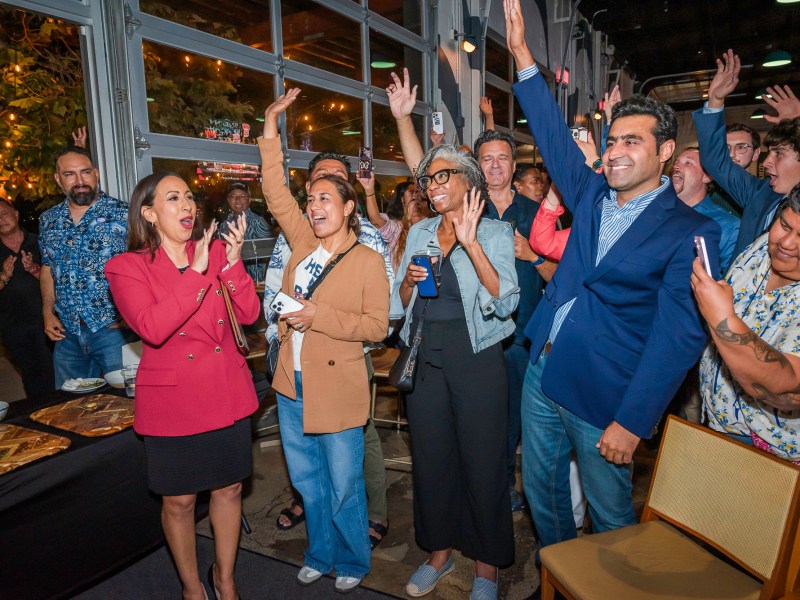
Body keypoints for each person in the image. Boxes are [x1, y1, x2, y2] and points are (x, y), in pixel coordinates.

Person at [504, 2, 721, 593]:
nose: (617, 150)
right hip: (544, 369)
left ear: (665, 154)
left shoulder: (692, 231)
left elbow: (679, 337)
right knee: (544, 495)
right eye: (613, 138)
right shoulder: (592, 192)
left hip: (606, 394)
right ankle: (560, 579)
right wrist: (524, 57)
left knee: (611, 517)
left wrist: (633, 419)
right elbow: (551, 137)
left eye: (633, 141)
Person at [259, 89, 390, 594]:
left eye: (324, 200)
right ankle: (320, 552)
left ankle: (354, 561)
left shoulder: (368, 261)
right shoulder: (302, 242)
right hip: (291, 383)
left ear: (348, 206)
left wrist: (318, 315)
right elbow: (274, 190)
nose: (313, 207)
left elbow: (377, 326)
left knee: (343, 486)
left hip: (338, 387)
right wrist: (271, 125)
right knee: (309, 482)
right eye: (311, 199)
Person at [105, 173, 260, 600]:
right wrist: (195, 274)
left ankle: (224, 578)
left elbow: (248, 313)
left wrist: (231, 262)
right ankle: (192, 587)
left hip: (225, 391)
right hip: (173, 402)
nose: (187, 205)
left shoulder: (213, 251)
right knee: (179, 502)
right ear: (150, 213)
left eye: (189, 197)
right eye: (173, 198)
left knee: (228, 489)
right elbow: (152, 329)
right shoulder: (126, 267)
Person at [391, 144, 519, 600]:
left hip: (477, 357)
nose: (433, 186)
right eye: (428, 179)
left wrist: (471, 244)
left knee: (482, 462)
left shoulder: (497, 231)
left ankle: (487, 568)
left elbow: (507, 300)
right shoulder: (421, 229)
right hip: (425, 355)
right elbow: (396, 307)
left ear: (469, 180)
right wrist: (406, 282)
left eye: (443, 176)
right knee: (431, 459)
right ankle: (439, 555)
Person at [473, 128, 553, 513]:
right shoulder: (466, 210)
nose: (494, 165)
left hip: (522, 333)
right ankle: (475, 484)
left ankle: (503, 484)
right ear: (478, 165)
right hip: (475, 332)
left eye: (502, 157)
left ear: (513, 164)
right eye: (487, 158)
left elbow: (559, 274)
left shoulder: (536, 213)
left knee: (512, 419)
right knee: (476, 415)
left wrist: (532, 257)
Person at [694, 189, 800, 463]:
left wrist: (721, 318)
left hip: (773, 454)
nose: (786, 243)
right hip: (715, 423)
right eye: (785, 225)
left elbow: (780, 381)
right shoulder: (763, 246)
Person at [39, 146, 130, 388]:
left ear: (96, 174)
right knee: (70, 411)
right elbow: (47, 269)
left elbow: (145, 264)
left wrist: (132, 314)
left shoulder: (124, 214)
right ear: (59, 179)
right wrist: (47, 312)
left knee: (127, 404)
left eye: (85, 172)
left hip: (113, 330)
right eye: (70, 174)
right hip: (66, 332)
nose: (80, 181)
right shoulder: (48, 220)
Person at [692, 50, 784, 256]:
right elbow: (716, 159)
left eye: (779, 154)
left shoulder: (754, 192)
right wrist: (715, 101)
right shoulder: (758, 193)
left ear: (754, 152)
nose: (767, 162)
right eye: (726, 148)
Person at [0, 199, 54, 398]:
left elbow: (56, 282)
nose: (1, 219)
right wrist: (4, 277)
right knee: (31, 376)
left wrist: (33, 270)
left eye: (4, 213)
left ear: (15, 214)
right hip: (13, 327)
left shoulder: (40, 242)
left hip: (46, 322)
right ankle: (39, 416)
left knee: (53, 372)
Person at [671, 147, 741, 275]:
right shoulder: (656, 212)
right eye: (676, 162)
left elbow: (733, 278)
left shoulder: (728, 226)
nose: (676, 167)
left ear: (707, 177)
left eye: (688, 163)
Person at [362, 179, 428, 271]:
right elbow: (376, 220)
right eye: (412, 192)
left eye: (419, 193)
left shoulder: (431, 226)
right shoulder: (397, 228)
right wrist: (369, 191)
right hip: (400, 284)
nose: (416, 195)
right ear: (401, 199)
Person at [219, 181, 274, 283]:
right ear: (228, 200)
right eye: (233, 196)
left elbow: (271, 252)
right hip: (230, 280)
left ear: (249, 200)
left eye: (242, 196)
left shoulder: (257, 222)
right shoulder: (224, 225)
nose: (237, 200)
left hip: (254, 282)